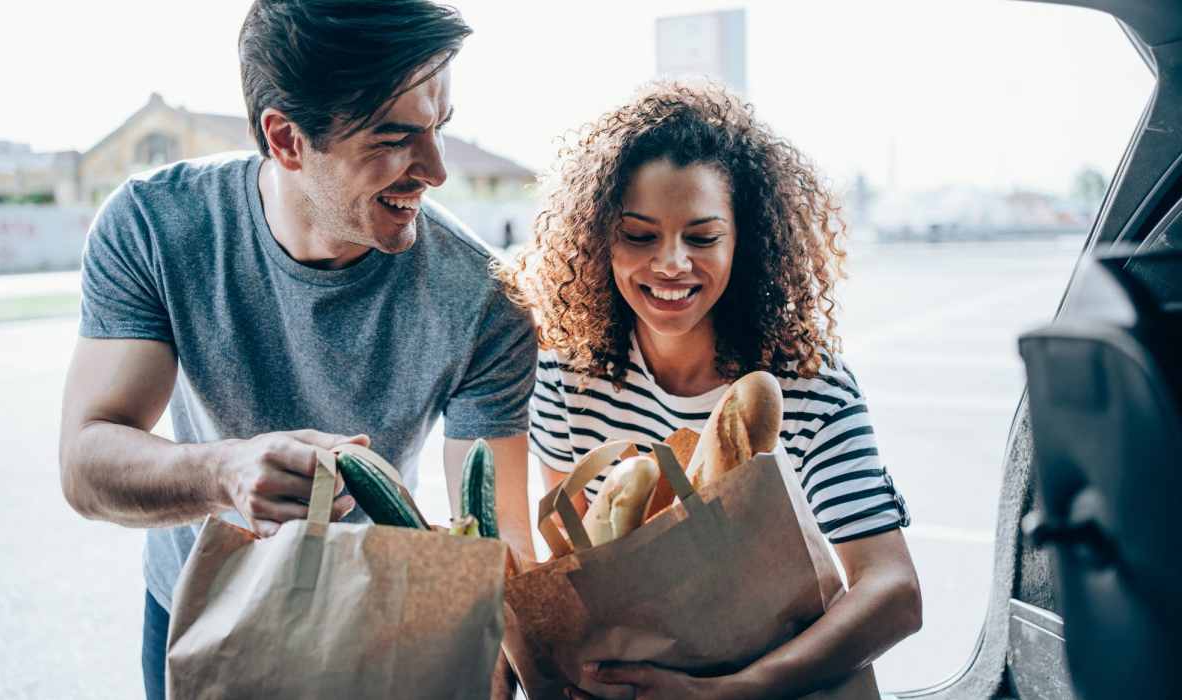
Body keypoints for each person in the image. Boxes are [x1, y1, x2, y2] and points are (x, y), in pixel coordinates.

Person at [56, 2, 536, 697]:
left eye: (440, 128)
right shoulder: (154, 227)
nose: (434, 170)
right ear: (285, 139)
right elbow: (85, 460)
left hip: (377, 626)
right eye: (395, 137)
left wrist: (492, 645)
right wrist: (224, 472)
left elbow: (500, 541)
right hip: (201, 612)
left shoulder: (487, 301)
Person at [501, 81, 921, 699]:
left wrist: (734, 691)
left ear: (743, 242)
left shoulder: (809, 386)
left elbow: (894, 592)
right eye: (639, 236)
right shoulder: (568, 381)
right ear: (598, 241)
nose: (671, 263)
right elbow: (576, 576)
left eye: (702, 237)